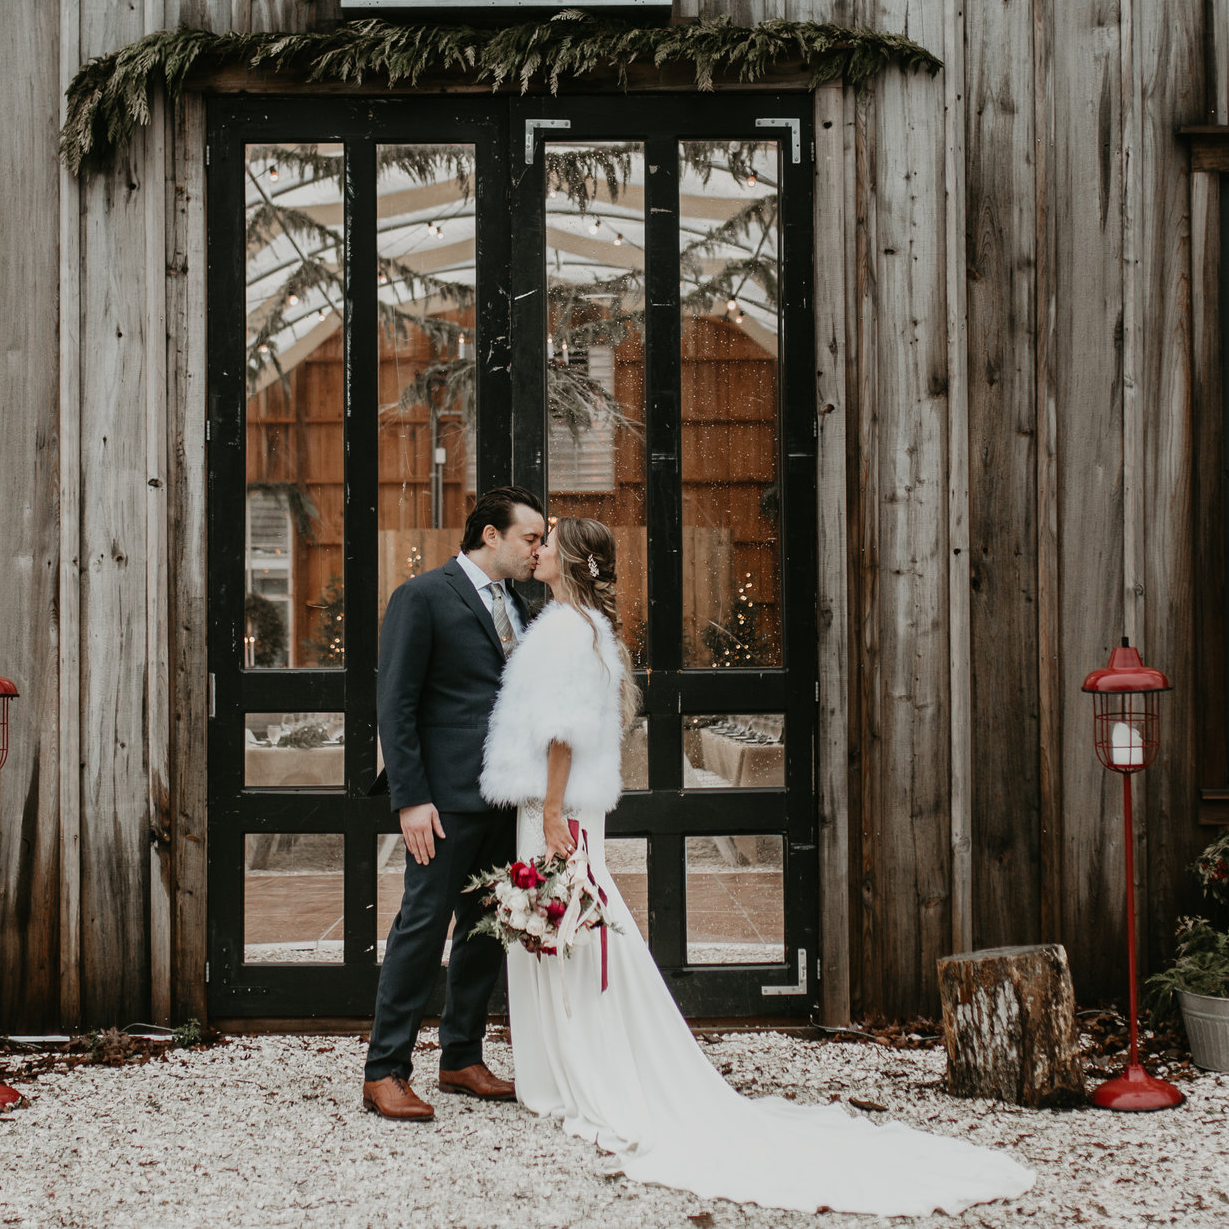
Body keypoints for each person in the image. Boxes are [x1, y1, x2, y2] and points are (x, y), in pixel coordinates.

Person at [477, 516, 1038, 1215]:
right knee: (572, 929)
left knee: (572, 930)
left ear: (574, 560)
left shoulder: (566, 630)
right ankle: (576, 1064)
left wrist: (554, 808)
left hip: (555, 808)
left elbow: (560, 730)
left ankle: (583, 1072)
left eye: (550, 539)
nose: (540, 546)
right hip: (556, 806)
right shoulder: (582, 628)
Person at [361, 485, 548, 1121]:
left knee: (484, 930)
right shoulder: (421, 597)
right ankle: (384, 1070)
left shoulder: (521, 604)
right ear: (490, 535)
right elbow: (397, 705)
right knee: (421, 927)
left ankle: (461, 1057)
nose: (538, 549)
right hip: (442, 804)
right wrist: (411, 800)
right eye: (530, 537)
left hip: (505, 796)